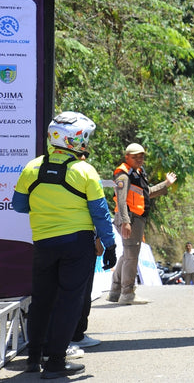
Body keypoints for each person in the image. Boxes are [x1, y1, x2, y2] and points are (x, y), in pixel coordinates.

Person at [12, 111, 117, 378]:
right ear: (76, 140)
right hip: (77, 244)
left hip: (43, 243)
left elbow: (19, 205)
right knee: (69, 301)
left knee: (42, 299)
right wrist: (110, 245)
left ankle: (33, 358)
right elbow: (100, 213)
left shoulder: (31, 168)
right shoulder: (85, 171)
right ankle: (56, 362)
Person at [108, 143, 177, 304]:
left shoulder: (137, 173)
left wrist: (166, 184)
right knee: (131, 256)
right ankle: (127, 293)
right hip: (130, 219)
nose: (139, 159)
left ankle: (115, 290)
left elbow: (147, 193)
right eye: (135, 157)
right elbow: (121, 200)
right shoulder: (123, 175)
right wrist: (126, 222)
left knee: (127, 254)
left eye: (141, 156)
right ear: (127, 157)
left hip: (135, 219)